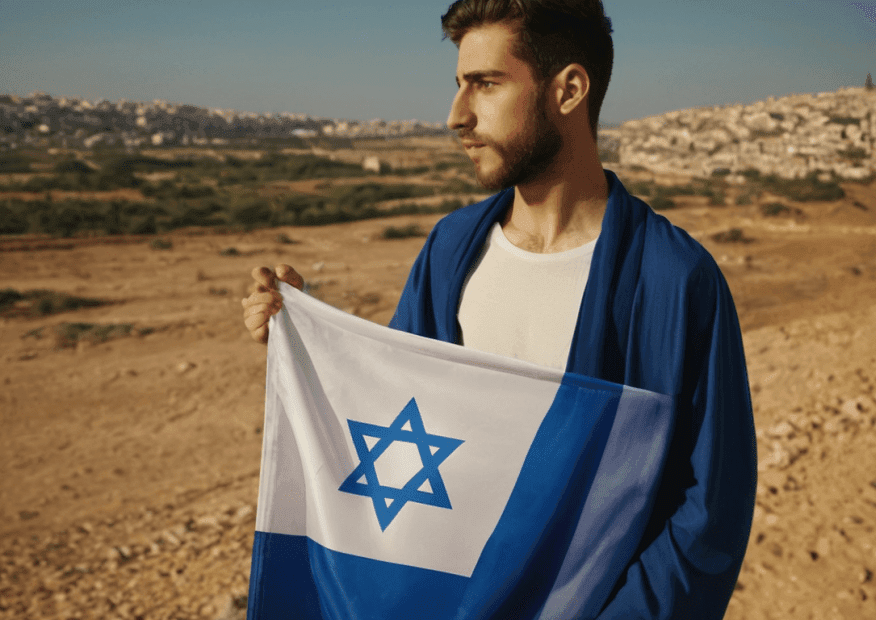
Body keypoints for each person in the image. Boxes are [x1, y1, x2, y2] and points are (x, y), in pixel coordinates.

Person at [241, 1, 757, 618]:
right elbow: (403, 435)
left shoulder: (673, 282)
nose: (457, 116)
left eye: (485, 84)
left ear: (568, 90)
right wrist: (310, 342)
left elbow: (707, 516)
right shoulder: (450, 249)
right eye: (459, 85)